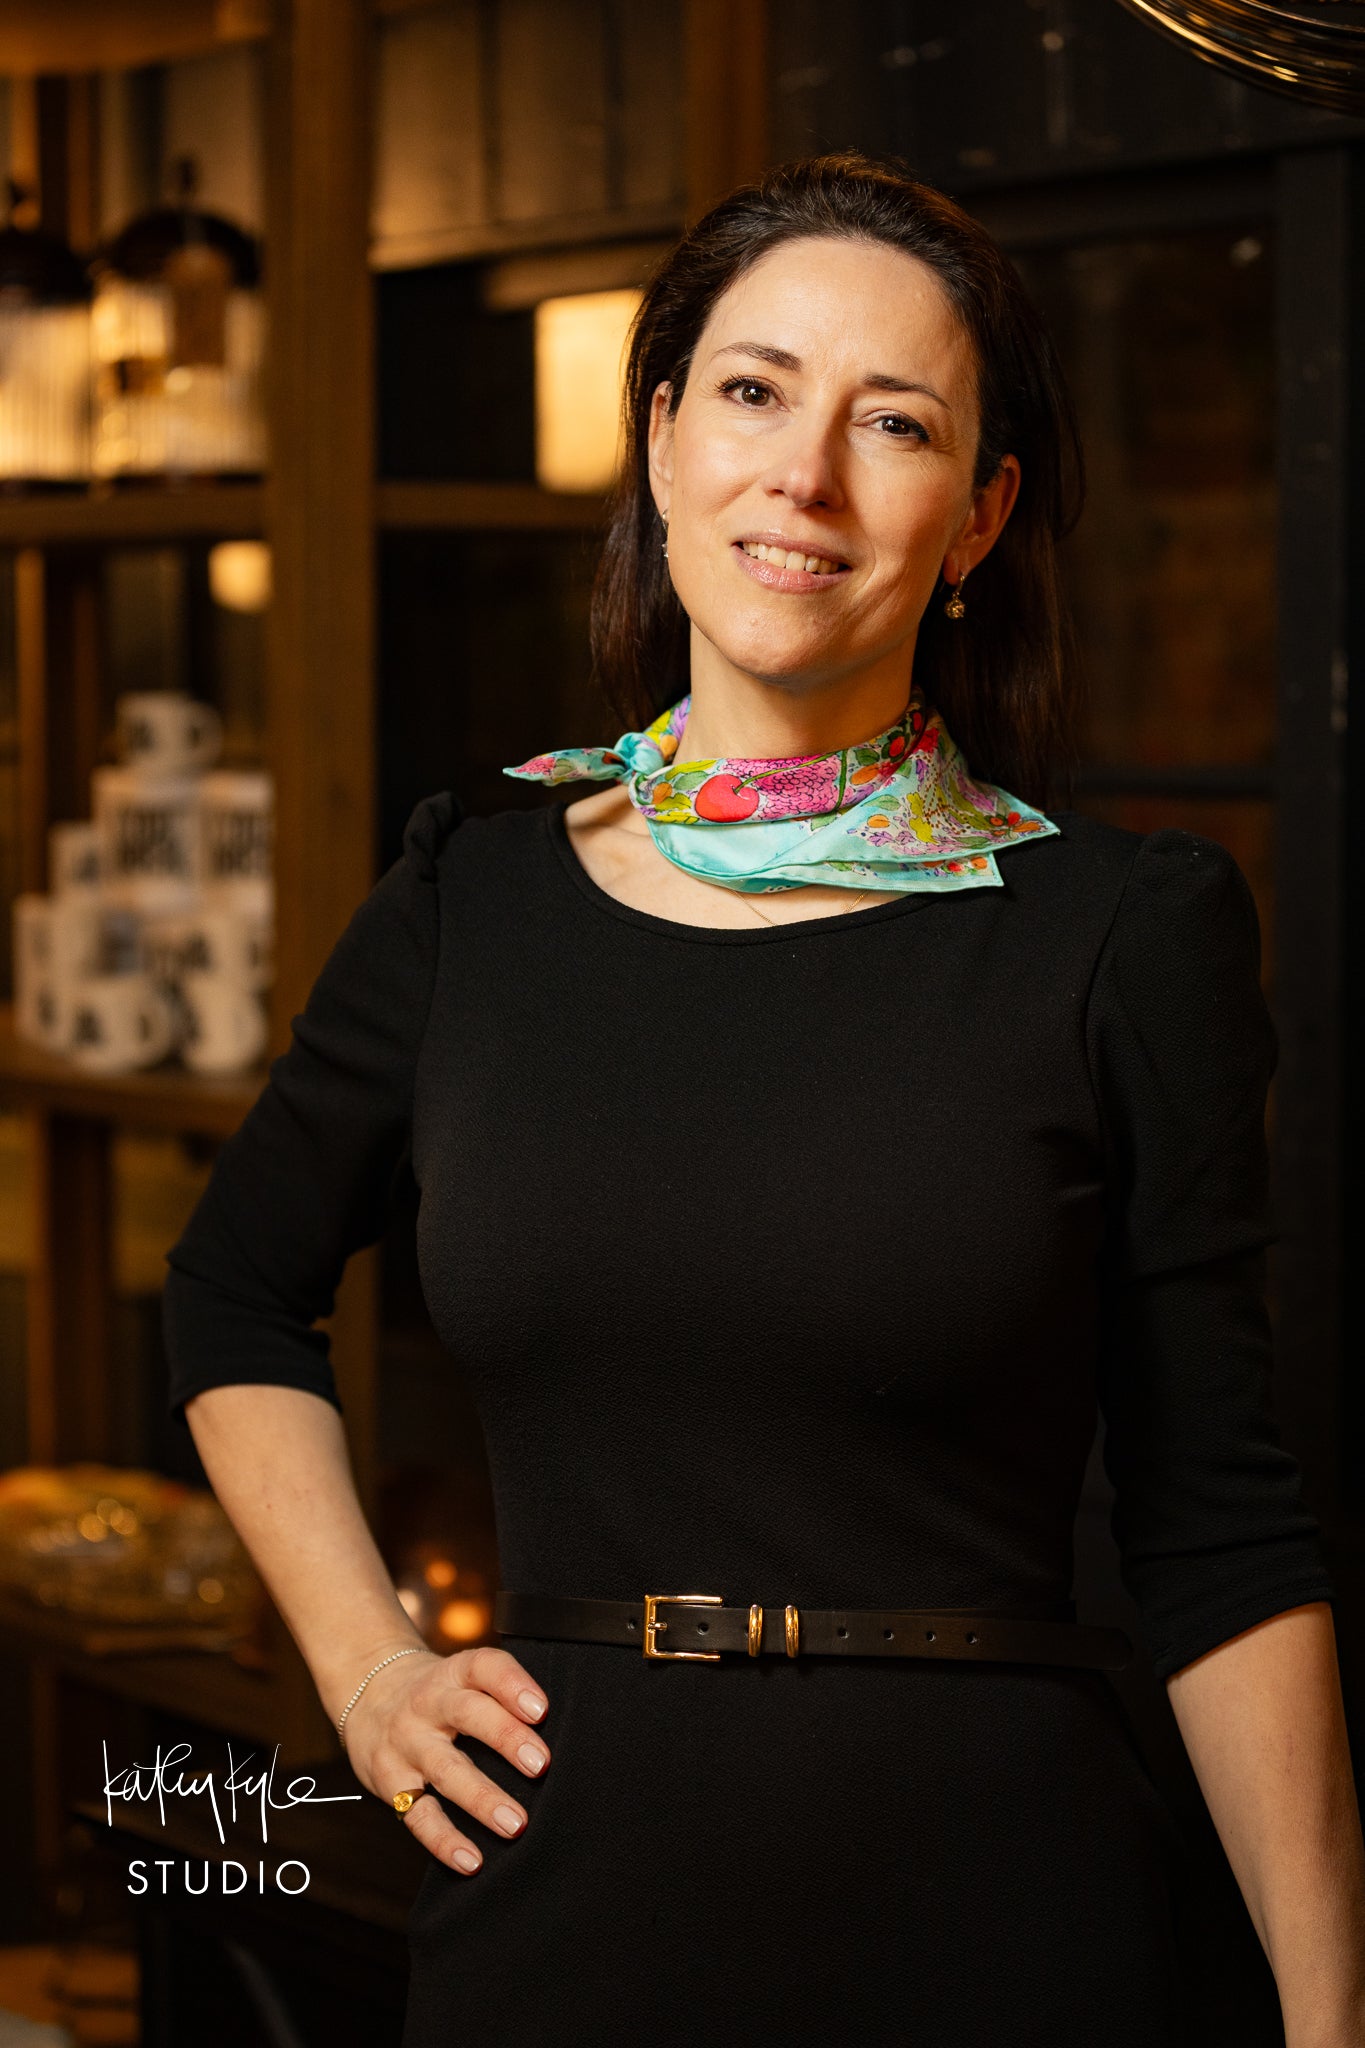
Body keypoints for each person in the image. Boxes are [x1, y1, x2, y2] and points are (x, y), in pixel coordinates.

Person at [162, 154, 1365, 2046]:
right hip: (558, 1922)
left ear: (975, 520)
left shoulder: (1119, 934)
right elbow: (232, 1293)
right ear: (660, 443)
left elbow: (1218, 1526)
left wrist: (1327, 2019)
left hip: (1006, 1931)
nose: (802, 474)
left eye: (891, 424)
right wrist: (370, 1667)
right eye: (751, 390)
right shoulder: (468, 902)